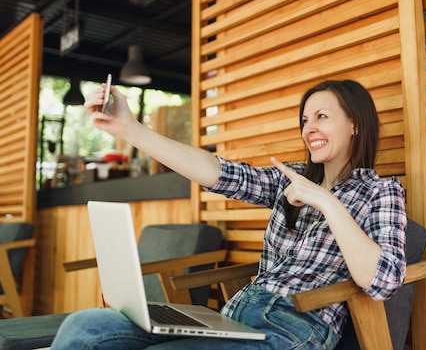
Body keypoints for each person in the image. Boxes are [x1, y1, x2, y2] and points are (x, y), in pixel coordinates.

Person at [51, 79, 407, 350]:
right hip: (234, 317)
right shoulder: (291, 180)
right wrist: (129, 129)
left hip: (291, 328)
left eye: (321, 116)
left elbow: (384, 280)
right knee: (86, 327)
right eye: (304, 119)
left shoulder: (381, 191)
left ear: (355, 124)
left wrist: (327, 202)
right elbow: (218, 173)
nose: (308, 127)